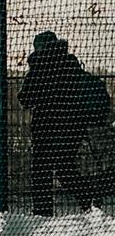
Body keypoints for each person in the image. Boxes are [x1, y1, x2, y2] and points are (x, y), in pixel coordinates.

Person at [21, 30, 112, 216]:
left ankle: (43, 213)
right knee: (64, 167)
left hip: (46, 128)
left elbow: (25, 98)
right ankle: (88, 199)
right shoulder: (71, 64)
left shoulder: (38, 68)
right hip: (72, 127)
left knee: (42, 171)